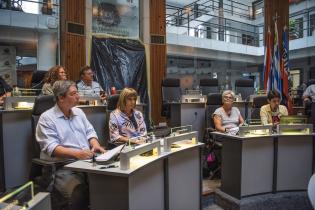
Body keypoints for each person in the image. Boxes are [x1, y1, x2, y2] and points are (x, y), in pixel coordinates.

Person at [36, 80, 105, 210]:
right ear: (61, 98)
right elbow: (52, 148)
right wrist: (78, 154)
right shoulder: (46, 118)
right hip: (63, 167)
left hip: (86, 162)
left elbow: (90, 131)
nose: (78, 96)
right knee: (77, 194)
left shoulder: (79, 112)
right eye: (73, 94)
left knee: (106, 184)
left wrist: (95, 144)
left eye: (77, 93)